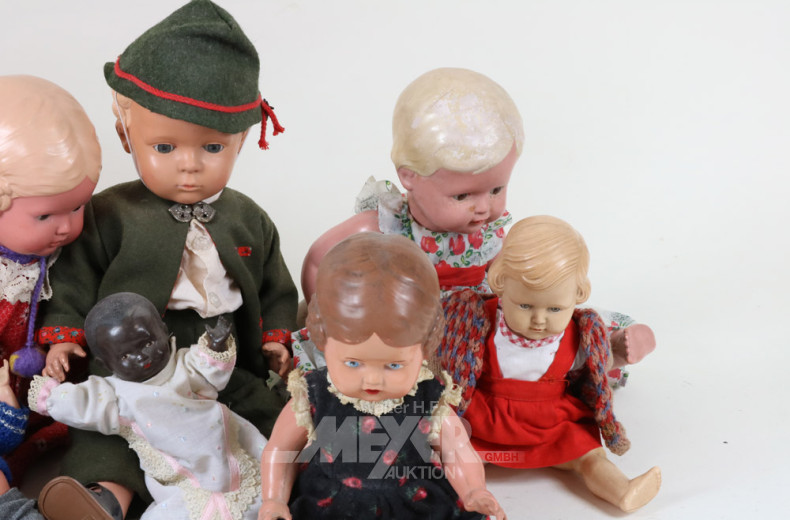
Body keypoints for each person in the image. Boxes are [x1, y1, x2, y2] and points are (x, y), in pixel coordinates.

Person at [36, 1, 298, 518]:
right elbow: (74, 278)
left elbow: (274, 282)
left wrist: (275, 336)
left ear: (242, 141)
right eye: (164, 147)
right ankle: (105, 498)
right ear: (125, 135)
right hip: (132, 372)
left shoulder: (249, 218)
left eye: (212, 148)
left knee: (267, 417)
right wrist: (63, 336)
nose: (189, 166)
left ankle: (288, 489)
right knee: (113, 432)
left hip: (222, 358)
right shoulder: (110, 214)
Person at [295, 67, 654, 379]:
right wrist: (331, 318)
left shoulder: (491, 234)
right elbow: (317, 260)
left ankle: (608, 346)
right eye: (463, 196)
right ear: (409, 176)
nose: (484, 208)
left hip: (482, 323)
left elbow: (523, 277)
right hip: (410, 328)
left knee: (543, 326)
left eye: (496, 189)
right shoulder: (385, 228)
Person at [259, 233, 505, 520]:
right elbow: (280, 450)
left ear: (424, 349)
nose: (372, 380)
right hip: (331, 501)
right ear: (323, 340)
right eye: (353, 363)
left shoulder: (426, 397)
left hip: (412, 501)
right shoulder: (314, 395)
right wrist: (274, 498)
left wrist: (474, 490)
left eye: (394, 365)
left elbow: (457, 450)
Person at [453, 216, 661, 513]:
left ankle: (622, 489)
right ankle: (468, 494)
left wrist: (618, 352)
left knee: (589, 454)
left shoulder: (578, 334)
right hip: (487, 418)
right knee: (454, 451)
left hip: (550, 422)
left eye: (554, 308)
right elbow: (448, 356)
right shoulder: (477, 320)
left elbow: (595, 368)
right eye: (525, 305)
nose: (539, 320)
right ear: (500, 284)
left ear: (578, 295)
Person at [29, 292, 265, 520]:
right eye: (124, 356)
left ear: (163, 329)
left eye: (148, 342)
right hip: (178, 476)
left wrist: (216, 347)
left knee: (263, 483)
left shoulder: (185, 364)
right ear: (106, 364)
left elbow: (209, 371)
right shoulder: (115, 395)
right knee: (179, 510)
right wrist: (49, 395)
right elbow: (83, 401)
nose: (141, 356)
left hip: (223, 448)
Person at [0, 74, 101, 484]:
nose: (66, 227)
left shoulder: (70, 251)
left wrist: (65, 338)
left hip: (49, 383)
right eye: (45, 215)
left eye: (77, 208)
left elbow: (81, 295)